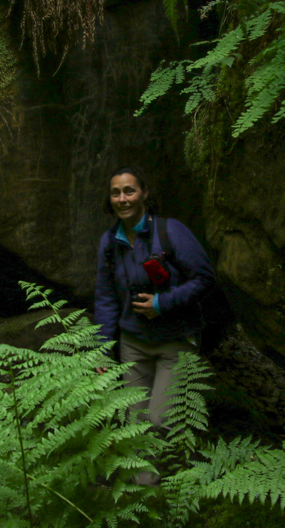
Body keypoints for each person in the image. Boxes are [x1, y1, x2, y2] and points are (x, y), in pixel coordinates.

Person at [94, 166, 216, 481]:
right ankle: (147, 495)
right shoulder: (109, 243)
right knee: (136, 422)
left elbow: (204, 279)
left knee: (163, 419)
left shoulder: (170, 232)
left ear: (145, 193)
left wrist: (161, 304)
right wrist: (101, 350)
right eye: (116, 193)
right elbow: (106, 299)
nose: (123, 199)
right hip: (132, 344)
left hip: (175, 340)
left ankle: (178, 487)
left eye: (129, 191)